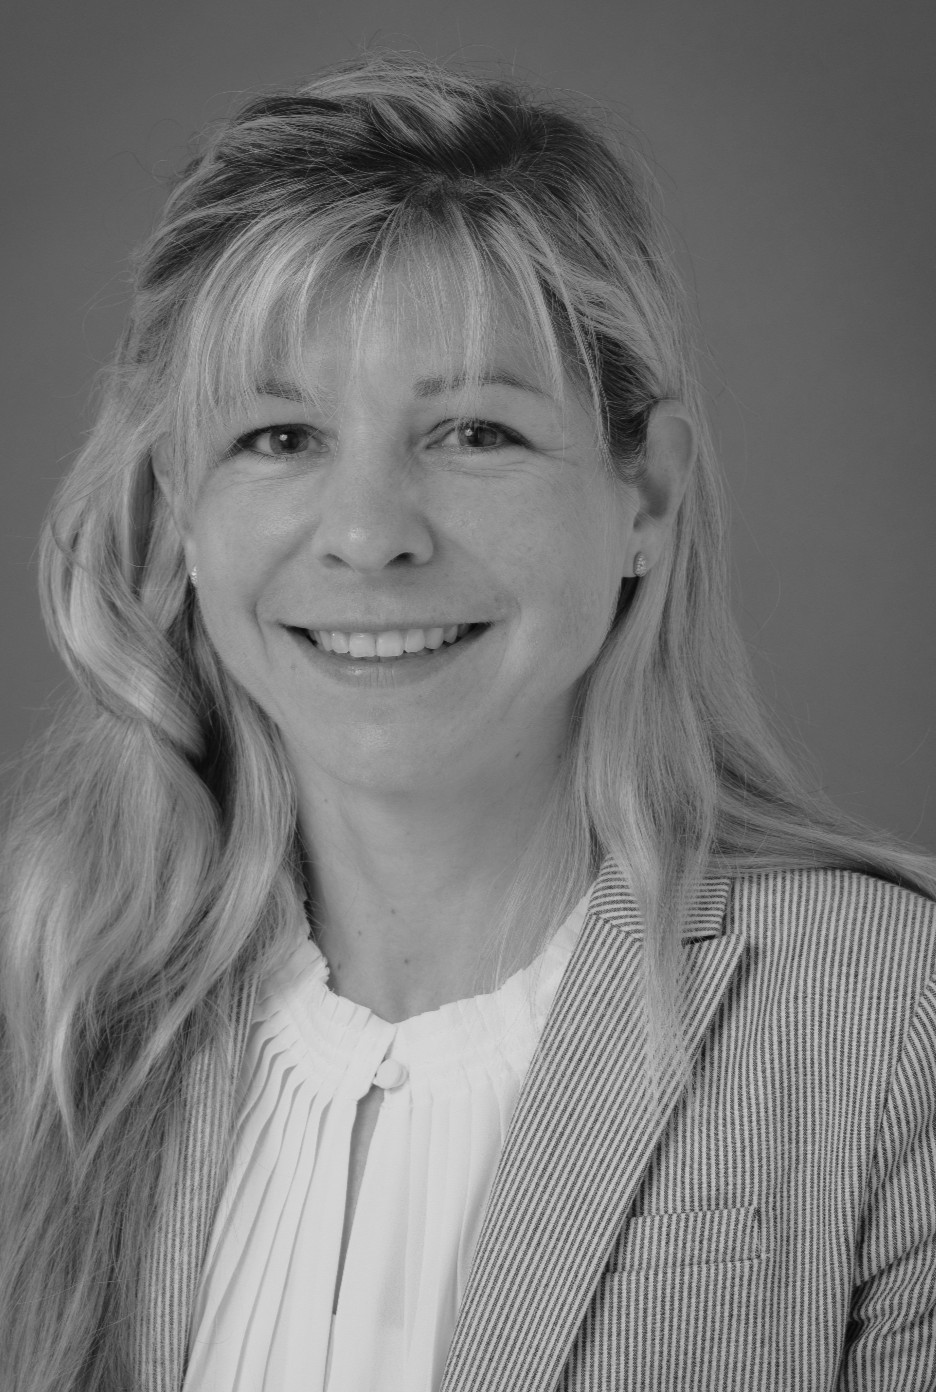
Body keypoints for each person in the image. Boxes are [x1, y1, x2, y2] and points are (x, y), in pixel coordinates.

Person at [1, 50, 934, 1392]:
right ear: (181, 514)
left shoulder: (897, 1022)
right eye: (279, 437)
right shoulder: (52, 1024)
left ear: (645, 499)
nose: (369, 535)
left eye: (475, 433)